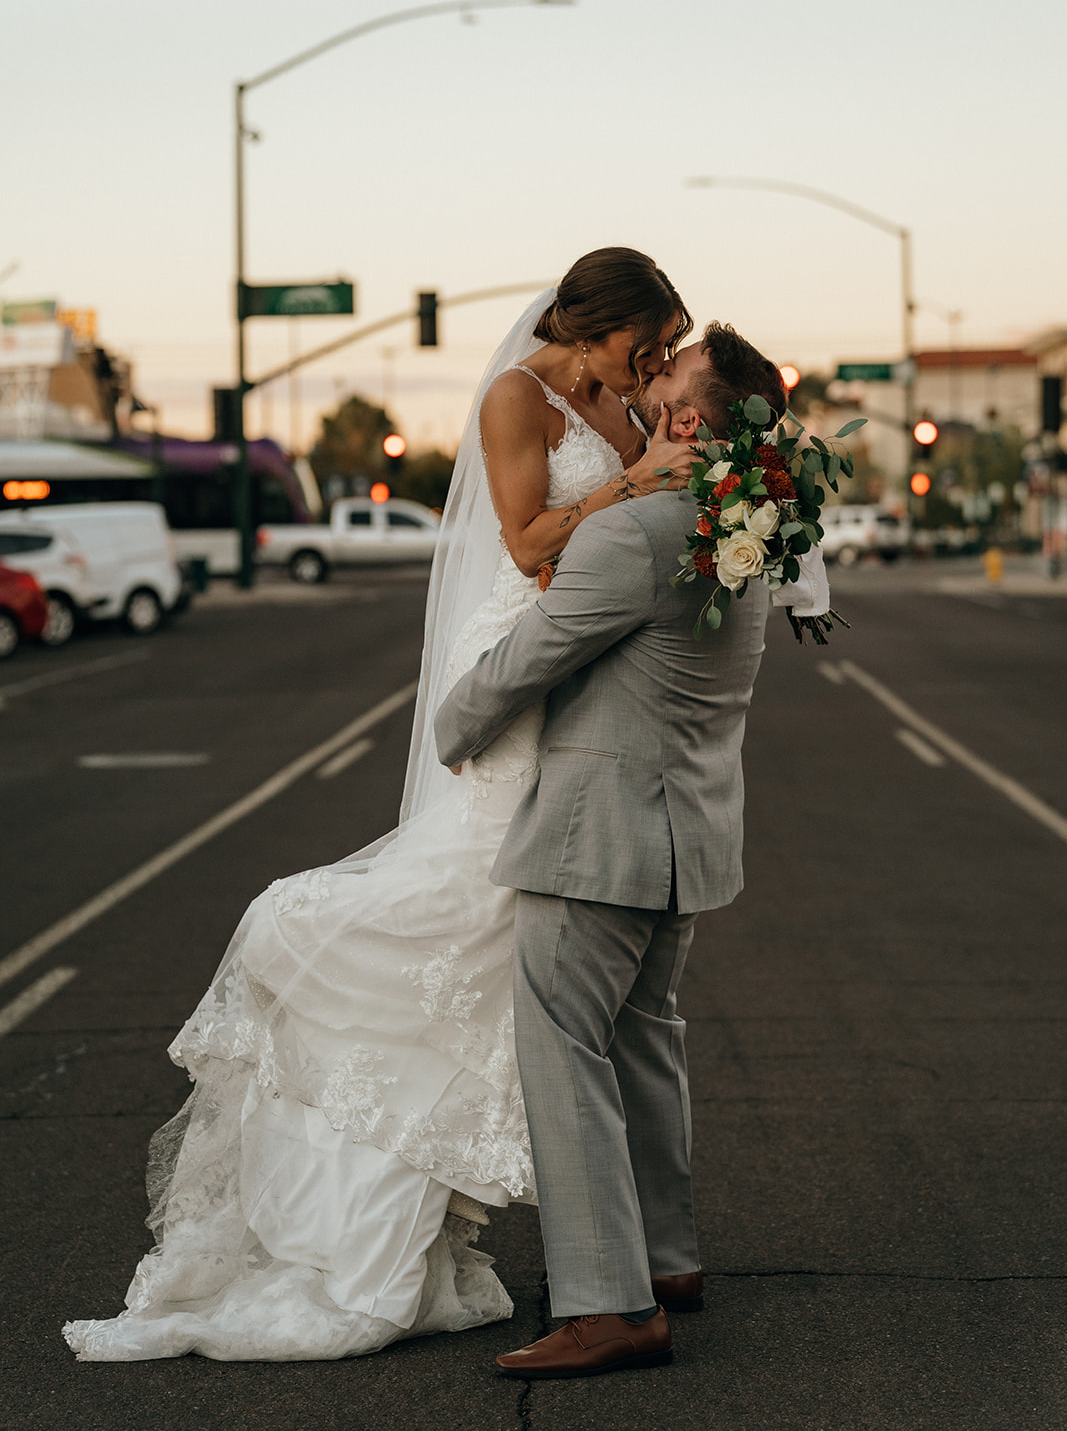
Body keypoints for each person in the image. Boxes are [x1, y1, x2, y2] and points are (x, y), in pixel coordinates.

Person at [63, 250, 697, 1364]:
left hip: (588, 671)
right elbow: (527, 543)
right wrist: (632, 487)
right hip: (520, 653)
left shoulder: (616, 395)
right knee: (481, 910)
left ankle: (602, 1240)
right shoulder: (517, 396)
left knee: (535, 952)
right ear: (588, 326)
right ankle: (380, 1192)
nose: (645, 366)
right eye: (637, 344)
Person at [434, 319, 793, 1381]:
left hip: (600, 836)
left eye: (665, 373)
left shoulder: (635, 533)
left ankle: (607, 1303)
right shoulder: (745, 526)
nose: (646, 381)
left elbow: (533, 656)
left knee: (562, 1046)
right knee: (642, 1040)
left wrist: (447, 727)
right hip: (685, 829)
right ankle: (665, 1257)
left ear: (685, 420)